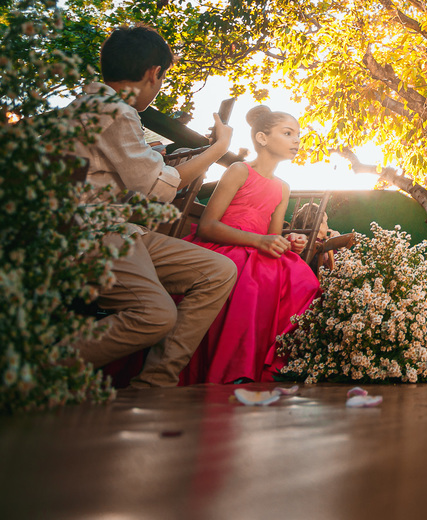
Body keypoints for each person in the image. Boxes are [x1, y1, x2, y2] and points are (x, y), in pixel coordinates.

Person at [67, 26, 238, 388]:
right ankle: (37, 370)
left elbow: (137, 184)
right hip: (91, 236)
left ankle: (154, 382)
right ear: (152, 74)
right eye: (163, 78)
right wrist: (217, 149)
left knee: (218, 270)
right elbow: (158, 189)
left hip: (121, 229)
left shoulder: (88, 108)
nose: (160, 86)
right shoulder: (114, 110)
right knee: (156, 314)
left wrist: (162, 162)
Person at [178, 105, 321, 384]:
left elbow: (273, 235)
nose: (297, 140)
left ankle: (271, 362)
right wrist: (260, 241)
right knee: (253, 278)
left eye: (298, 135)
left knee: (301, 279)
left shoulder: (283, 187)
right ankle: (232, 368)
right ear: (262, 138)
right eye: (288, 133)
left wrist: (290, 242)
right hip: (225, 246)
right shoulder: (239, 171)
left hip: (257, 250)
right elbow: (208, 227)